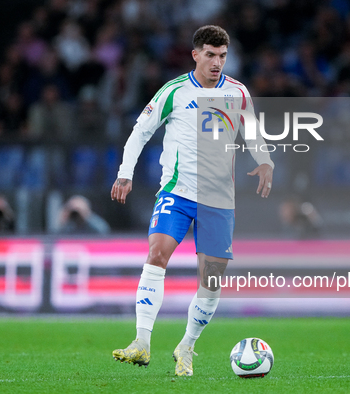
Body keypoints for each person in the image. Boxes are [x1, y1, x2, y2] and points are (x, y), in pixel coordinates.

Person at [110, 25, 274, 377]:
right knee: (157, 254)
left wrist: (265, 161)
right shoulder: (174, 91)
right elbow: (140, 132)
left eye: (223, 56)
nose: (217, 63)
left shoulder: (238, 93)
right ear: (196, 54)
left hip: (218, 199)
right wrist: (126, 172)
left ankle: (187, 345)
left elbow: (253, 131)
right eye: (211, 55)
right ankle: (141, 342)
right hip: (176, 191)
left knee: (211, 279)